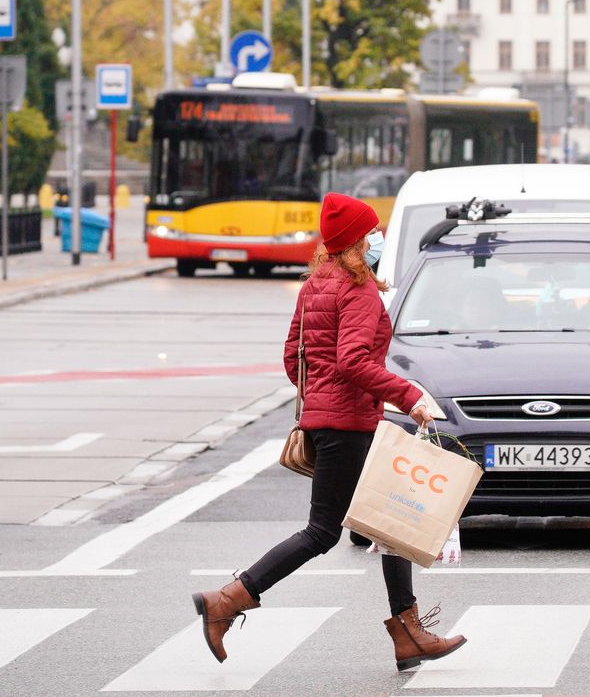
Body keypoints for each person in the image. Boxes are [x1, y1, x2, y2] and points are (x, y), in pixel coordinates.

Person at [192, 193, 467, 671]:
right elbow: (354, 360)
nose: (379, 236)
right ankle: (229, 599)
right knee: (328, 531)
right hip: (349, 425)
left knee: (387, 522)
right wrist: (409, 396)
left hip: (326, 422)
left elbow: (291, 356)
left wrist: (319, 396)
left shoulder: (315, 285)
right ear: (359, 240)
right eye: (373, 231)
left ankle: (409, 633)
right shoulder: (358, 291)